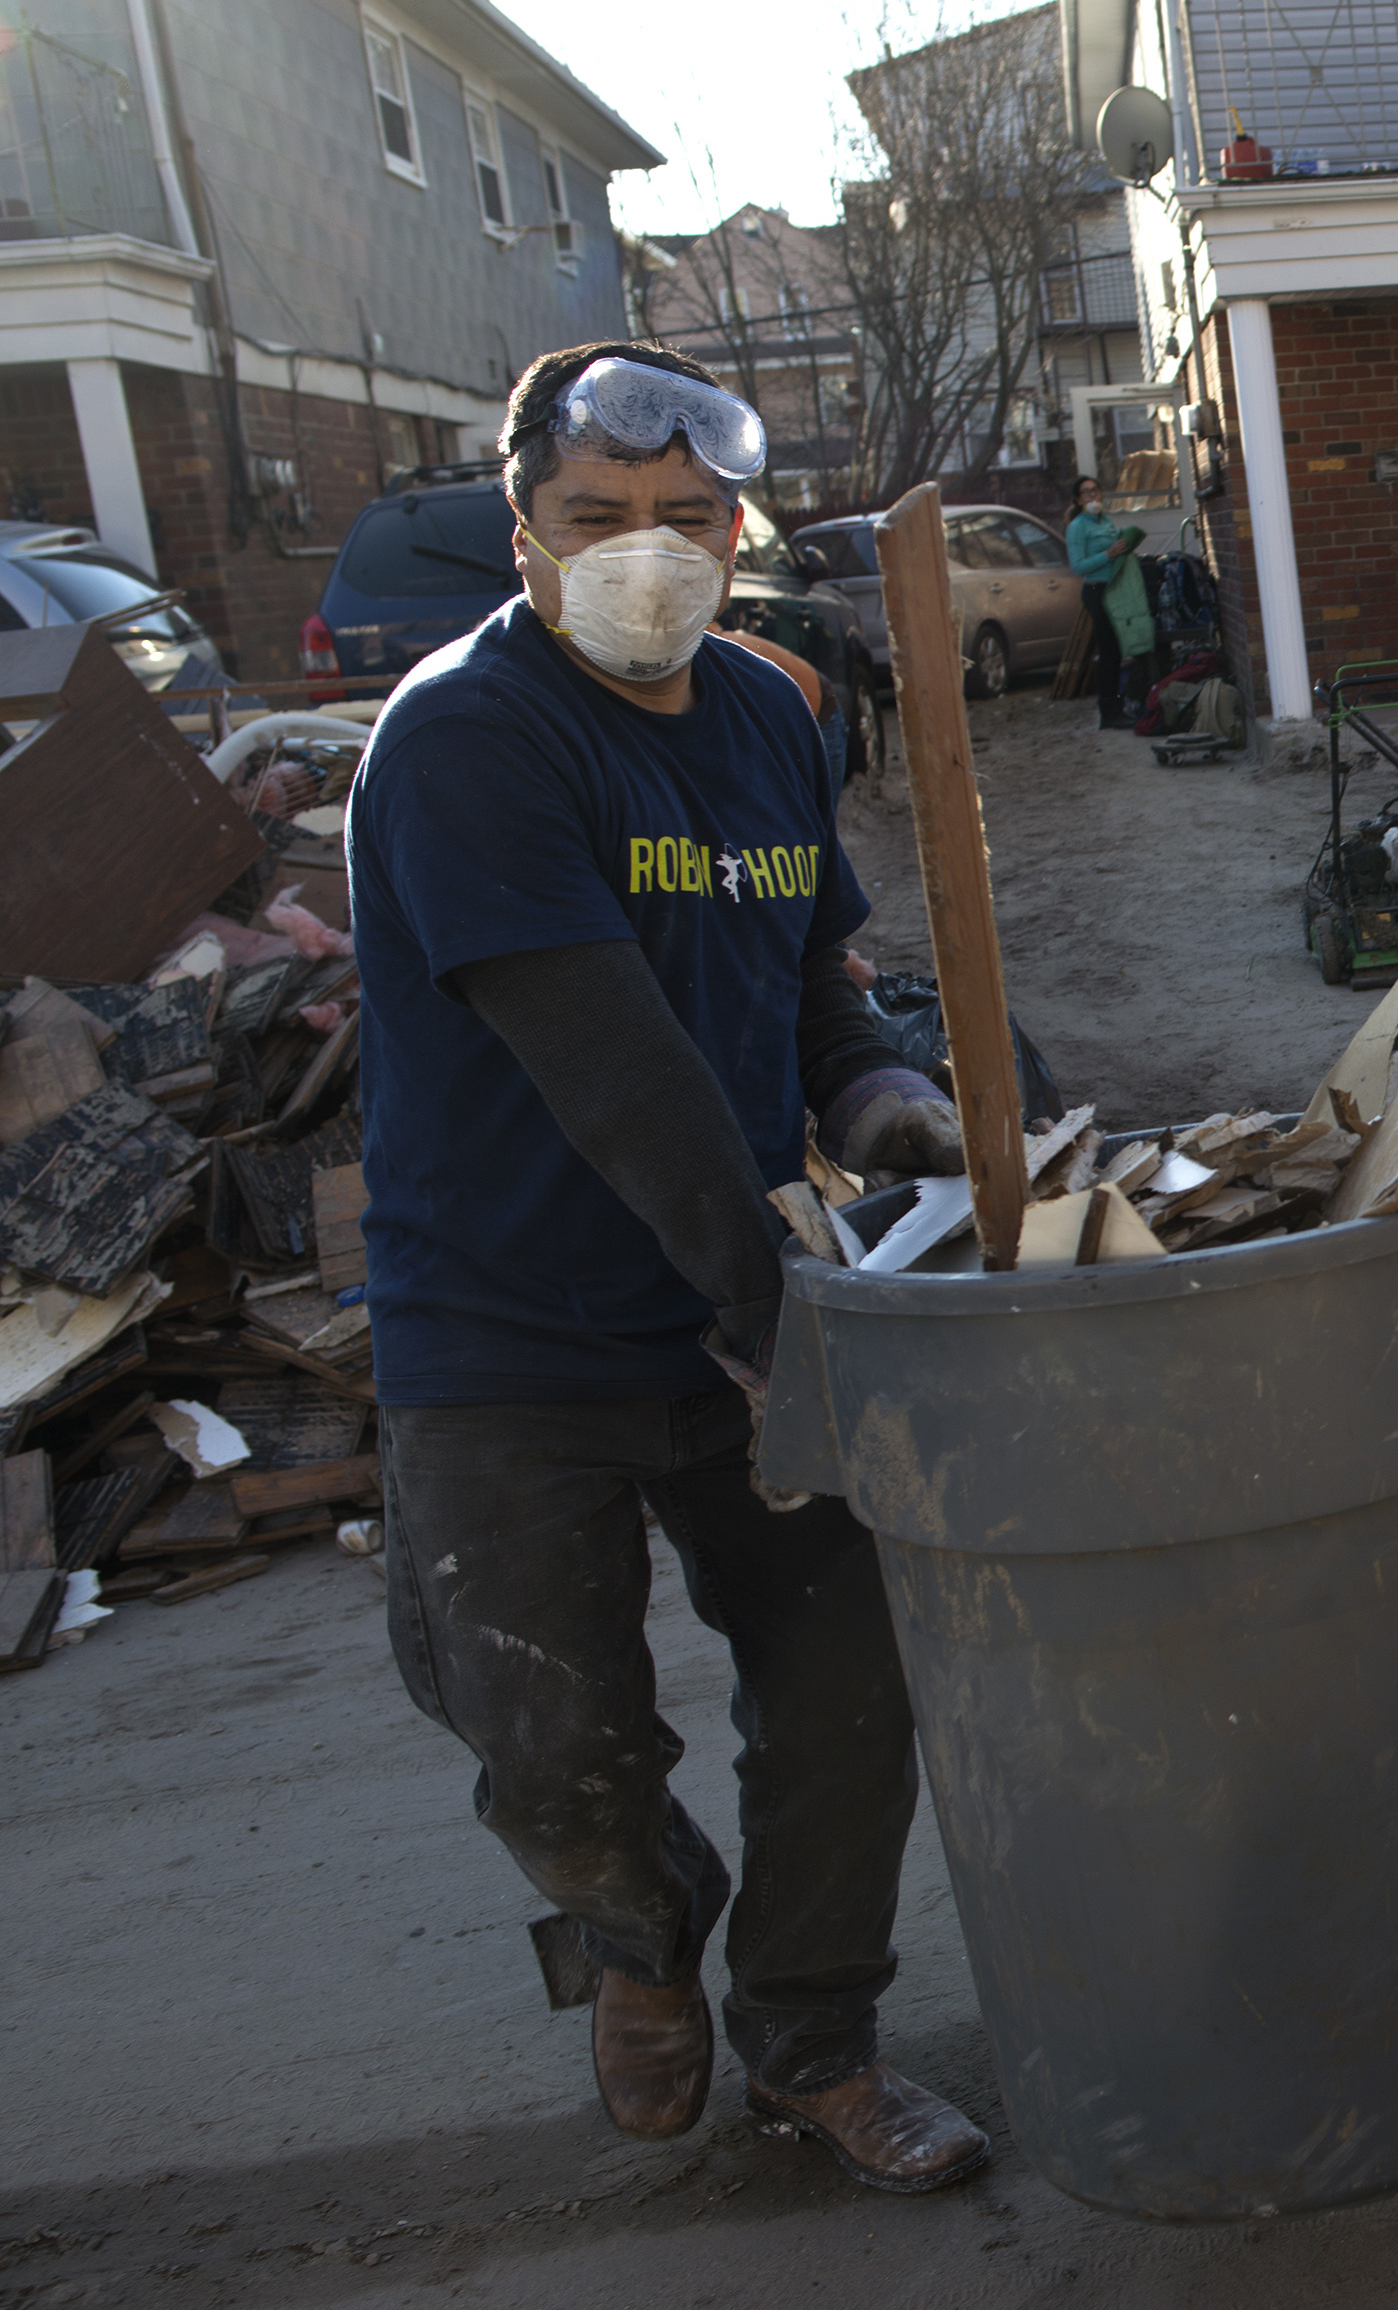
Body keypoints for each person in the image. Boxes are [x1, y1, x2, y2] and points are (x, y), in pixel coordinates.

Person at [349, 339, 991, 2194]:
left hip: (740, 1281)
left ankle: (808, 2036)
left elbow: (805, 982)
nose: (650, 554)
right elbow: (615, 1069)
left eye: (687, 519)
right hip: (510, 1326)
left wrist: (880, 1100)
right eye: (598, 518)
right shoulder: (467, 735)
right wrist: (781, 1324)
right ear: (524, 533)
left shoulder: (768, 712)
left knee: (851, 1681)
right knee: (543, 1735)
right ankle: (639, 1926)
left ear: (738, 522)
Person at [1065, 475, 1139, 729]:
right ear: (1078, 499)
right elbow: (1078, 566)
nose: (1092, 496)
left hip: (1114, 588)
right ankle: (1108, 711)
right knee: (1108, 651)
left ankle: (1118, 706)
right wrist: (1108, 554)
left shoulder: (1105, 521)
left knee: (1118, 650)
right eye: (1086, 492)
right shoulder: (1077, 527)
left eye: (1095, 490)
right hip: (1096, 590)